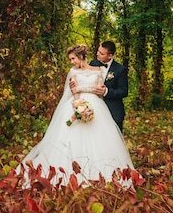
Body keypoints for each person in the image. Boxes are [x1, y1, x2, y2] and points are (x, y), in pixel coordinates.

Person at [18, 44, 137, 188]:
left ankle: (106, 173)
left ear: (81, 57)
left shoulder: (98, 70)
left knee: (101, 138)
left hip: (97, 106)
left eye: (73, 58)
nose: (72, 62)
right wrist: (78, 106)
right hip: (78, 103)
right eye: (70, 59)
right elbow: (74, 90)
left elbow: (101, 88)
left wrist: (102, 91)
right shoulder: (73, 72)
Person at [79, 40, 128, 132]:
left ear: (110, 56)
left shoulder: (120, 70)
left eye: (101, 53)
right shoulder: (93, 63)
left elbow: (123, 91)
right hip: (94, 109)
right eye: (98, 51)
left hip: (113, 110)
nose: (97, 54)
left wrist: (106, 91)